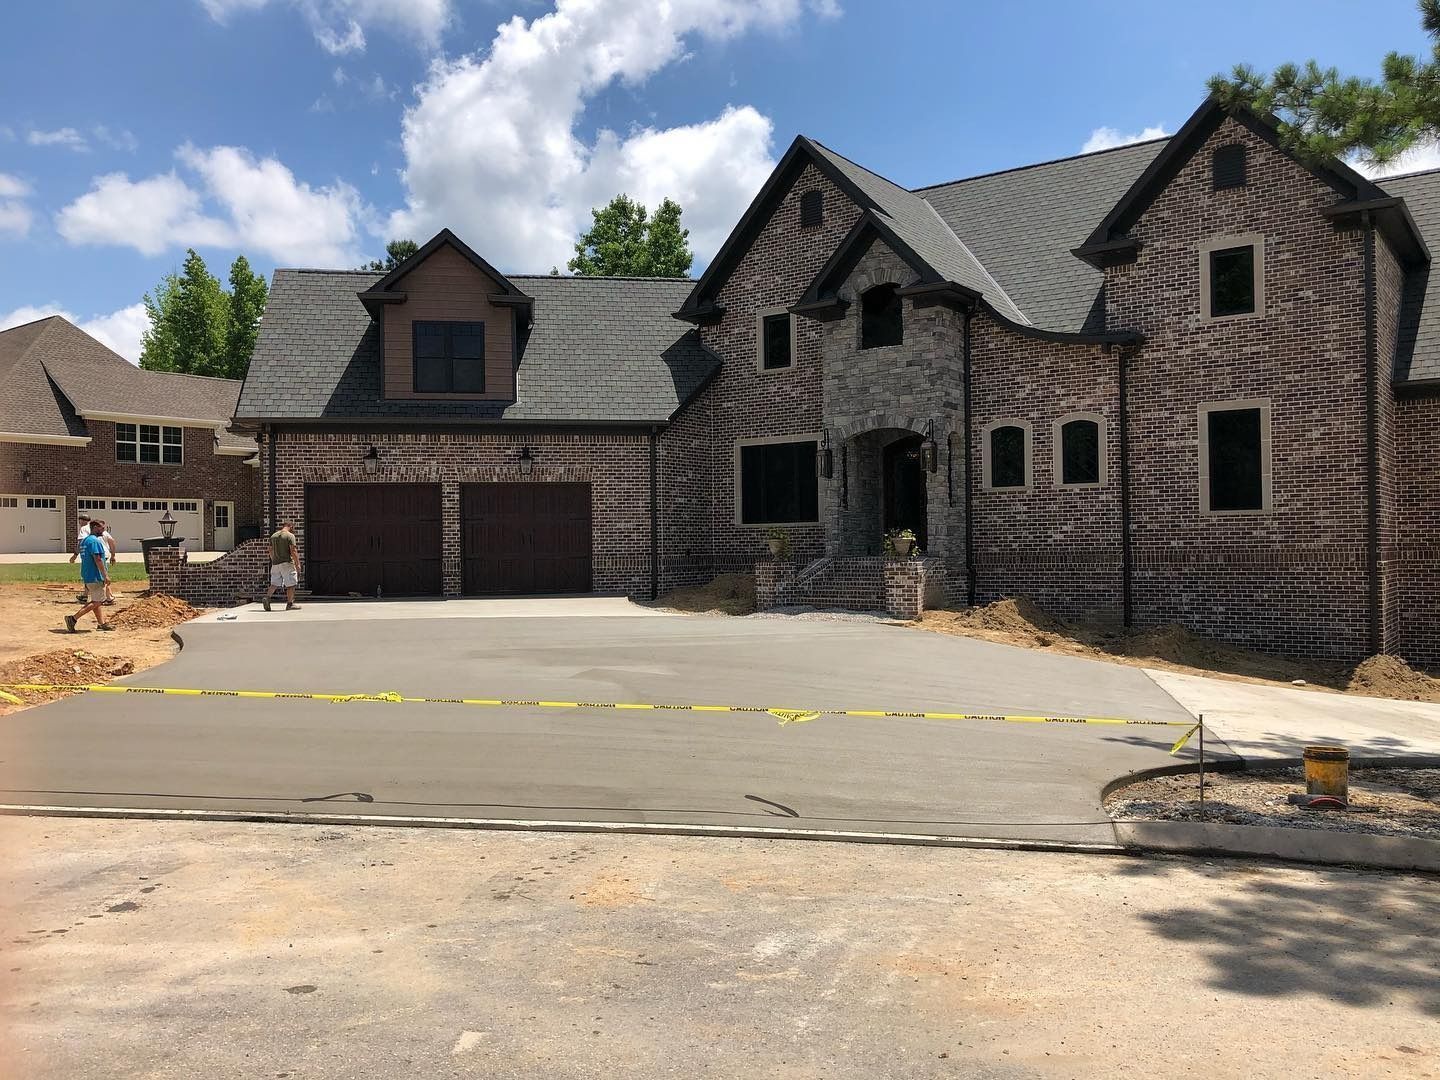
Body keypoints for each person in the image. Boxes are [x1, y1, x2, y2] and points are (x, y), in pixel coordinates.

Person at [65, 519, 113, 633]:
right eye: (101, 527)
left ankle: (101, 624)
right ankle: (73, 619)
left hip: (87, 574)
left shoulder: (85, 541)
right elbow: (98, 559)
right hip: (95, 575)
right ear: (95, 527)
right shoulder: (95, 541)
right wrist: (105, 575)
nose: (103, 530)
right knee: (98, 601)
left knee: (96, 600)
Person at [263, 521, 301, 612]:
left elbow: (270, 550)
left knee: (274, 583)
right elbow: (293, 551)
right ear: (290, 526)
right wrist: (297, 564)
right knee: (291, 584)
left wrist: (274, 560)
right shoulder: (290, 536)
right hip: (287, 563)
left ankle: (267, 597)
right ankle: (290, 604)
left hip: (275, 563)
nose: (293, 530)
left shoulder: (273, 536)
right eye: (293, 528)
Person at [97, 519, 118, 604]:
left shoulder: (99, 534)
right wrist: (113, 555)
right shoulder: (105, 533)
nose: (103, 528)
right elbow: (112, 542)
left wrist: (113, 556)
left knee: (103, 576)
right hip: (104, 555)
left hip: (99, 556)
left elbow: (112, 542)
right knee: (103, 575)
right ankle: (109, 596)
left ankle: (108, 597)